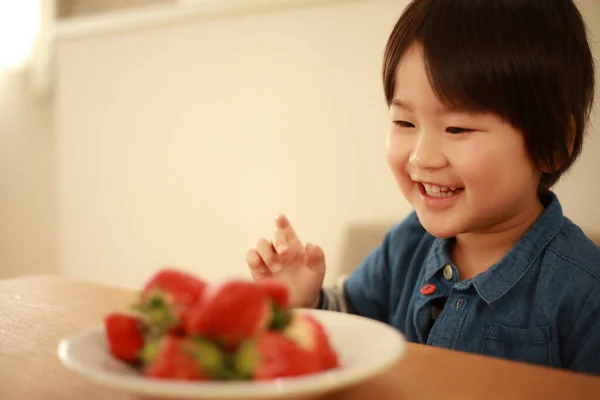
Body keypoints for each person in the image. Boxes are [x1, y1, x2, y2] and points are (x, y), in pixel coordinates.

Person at [246, 0, 599, 375]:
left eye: (457, 128)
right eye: (404, 122)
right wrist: (306, 300)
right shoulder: (406, 244)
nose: (421, 158)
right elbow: (351, 326)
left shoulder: (584, 292)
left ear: (555, 144)